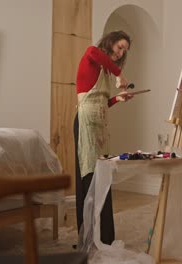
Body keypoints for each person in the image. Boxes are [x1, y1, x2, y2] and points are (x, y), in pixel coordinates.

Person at [74, 30, 133, 245]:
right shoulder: (94, 57)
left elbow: (102, 104)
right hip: (85, 124)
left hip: (99, 125)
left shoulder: (105, 70)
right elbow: (92, 51)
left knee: (103, 178)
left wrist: (118, 99)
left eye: (124, 51)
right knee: (89, 179)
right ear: (110, 42)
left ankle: (105, 237)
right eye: (119, 47)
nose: (120, 53)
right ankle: (88, 237)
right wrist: (119, 73)